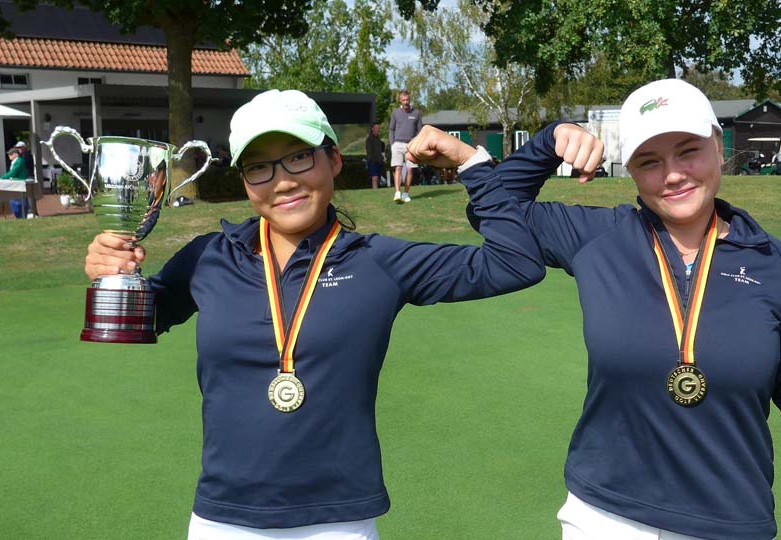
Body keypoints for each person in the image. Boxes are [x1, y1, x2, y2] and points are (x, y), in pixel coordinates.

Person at [83, 89, 545, 540]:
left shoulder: (378, 261)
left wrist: (471, 164)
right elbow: (140, 319)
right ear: (244, 180)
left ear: (334, 160)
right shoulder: (209, 257)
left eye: (299, 157)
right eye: (259, 167)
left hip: (339, 522)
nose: (283, 181)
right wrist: (113, 270)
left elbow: (515, 263)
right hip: (223, 522)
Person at [481, 79, 781, 540]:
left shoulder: (772, 260)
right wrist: (549, 141)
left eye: (688, 151)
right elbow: (492, 209)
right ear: (631, 172)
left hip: (729, 522)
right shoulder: (597, 236)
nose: (673, 174)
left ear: (719, 148)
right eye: (649, 161)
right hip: (604, 517)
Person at [388, 90, 422, 203]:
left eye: (407, 100)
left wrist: (416, 144)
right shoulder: (395, 112)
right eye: (403, 100)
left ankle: (406, 194)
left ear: (409, 100)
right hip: (397, 144)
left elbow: (420, 131)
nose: (405, 102)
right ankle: (397, 193)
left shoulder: (416, 113)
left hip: (411, 145)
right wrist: (392, 143)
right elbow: (391, 129)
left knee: (409, 170)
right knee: (398, 168)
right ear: (400, 100)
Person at [1, 147, 30, 218]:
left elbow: (13, 172)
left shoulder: (19, 161)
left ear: (16, 154)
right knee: (14, 201)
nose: (9, 156)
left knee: (19, 202)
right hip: (16, 184)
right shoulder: (15, 161)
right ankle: (20, 217)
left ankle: (22, 217)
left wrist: (2, 178)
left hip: (19, 184)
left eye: (11, 154)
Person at [365, 122, 386, 189]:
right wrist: (370, 160)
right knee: (375, 177)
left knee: (378, 176)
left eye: (378, 128)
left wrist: (382, 159)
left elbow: (382, 152)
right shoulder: (369, 140)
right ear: (372, 129)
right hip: (373, 161)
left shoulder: (380, 141)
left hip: (379, 161)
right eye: (376, 128)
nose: (377, 129)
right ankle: (375, 189)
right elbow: (369, 152)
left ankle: (376, 189)